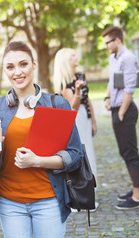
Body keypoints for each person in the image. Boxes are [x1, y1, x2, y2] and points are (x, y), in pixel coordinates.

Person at [0, 41, 83, 238]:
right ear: (4, 70)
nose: (17, 72)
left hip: (48, 200)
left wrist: (37, 161)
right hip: (9, 202)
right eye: (10, 67)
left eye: (23, 64)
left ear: (34, 64)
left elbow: (75, 155)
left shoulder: (57, 104)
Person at [102, 26, 139, 210]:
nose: (106, 46)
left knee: (130, 152)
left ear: (117, 40)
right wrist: (107, 98)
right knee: (124, 151)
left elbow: (129, 87)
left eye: (107, 42)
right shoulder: (114, 58)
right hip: (117, 108)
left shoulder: (128, 58)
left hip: (125, 110)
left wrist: (121, 112)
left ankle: (138, 197)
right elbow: (112, 81)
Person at [52, 48, 99, 211]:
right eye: (72, 55)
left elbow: (87, 100)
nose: (76, 57)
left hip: (84, 119)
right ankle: (78, 196)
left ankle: (89, 193)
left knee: (90, 154)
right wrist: (77, 91)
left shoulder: (80, 76)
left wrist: (93, 120)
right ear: (66, 60)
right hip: (74, 121)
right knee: (80, 155)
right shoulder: (63, 83)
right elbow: (73, 106)